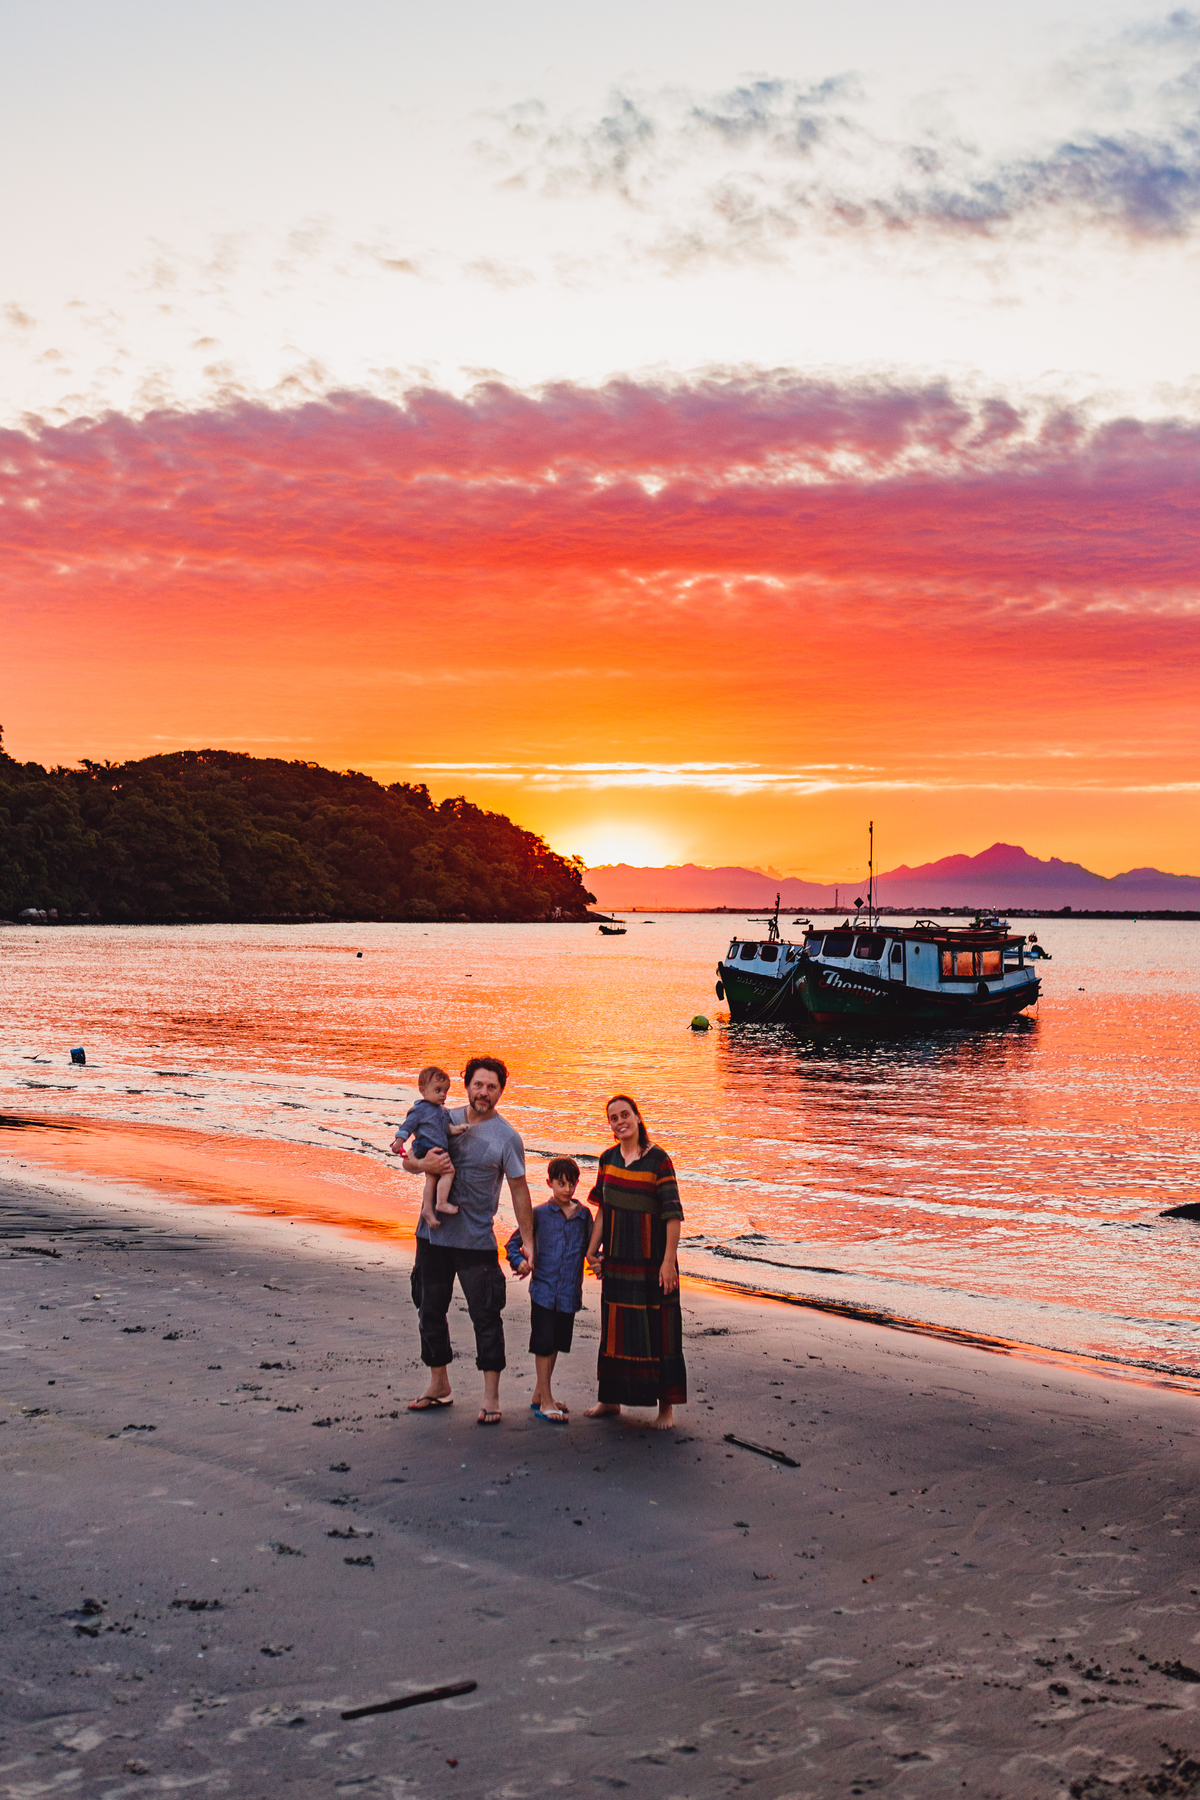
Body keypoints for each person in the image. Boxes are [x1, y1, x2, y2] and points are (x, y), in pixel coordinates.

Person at [402, 1056, 534, 1425]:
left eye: (492, 1087)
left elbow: (519, 1191)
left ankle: (491, 1397)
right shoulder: (442, 1116)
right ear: (467, 1085)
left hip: (475, 1240)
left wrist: (529, 1242)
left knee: (486, 1315)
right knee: (429, 1309)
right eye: (478, 1084)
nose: (484, 1092)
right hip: (432, 1235)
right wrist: (422, 1165)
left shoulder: (507, 1138)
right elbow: (408, 1160)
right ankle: (438, 1385)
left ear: (500, 1092)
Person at [584, 1094, 687, 1431]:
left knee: (661, 1332)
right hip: (618, 1261)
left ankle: (665, 1410)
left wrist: (668, 1262)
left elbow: (672, 1214)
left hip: (652, 1263)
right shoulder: (607, 1160)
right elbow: (603, 1210)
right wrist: (592, 1250)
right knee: (614, 1331)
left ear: (638, 1118)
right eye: (613, 1118)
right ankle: (609, 1400)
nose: (619, 1121)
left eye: (625, 1114)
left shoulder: (658, 1160)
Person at [504, 1157, 593, 1425]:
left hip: (568, 1292)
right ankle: (546, 1401)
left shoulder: (584, 1216)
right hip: (543, 1290)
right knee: (543, 1344)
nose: (567, 1189)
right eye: (561, 1183)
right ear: (550, 1183)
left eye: (571, 1184)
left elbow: (591, 1248)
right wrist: (519, 1262)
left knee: (556, 1344)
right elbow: (514, 1242)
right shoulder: (540, 1214)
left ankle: (539, 1394)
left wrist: (600, 1263)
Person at [390, 1065, 470, 1230]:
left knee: (432, 1179)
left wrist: (456, 1129)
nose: (442, 1095)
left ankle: (428, 1210)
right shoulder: (420, 1109)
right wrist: (399, 1142)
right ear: (423, 1090)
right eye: (438, 1090)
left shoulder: (442, 1111)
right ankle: (441, 1202)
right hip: (427, 1146)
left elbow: (444, 1129)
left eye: (445, 1091)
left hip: (432, 1146)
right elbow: (407, 1126)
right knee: (448, 1171)